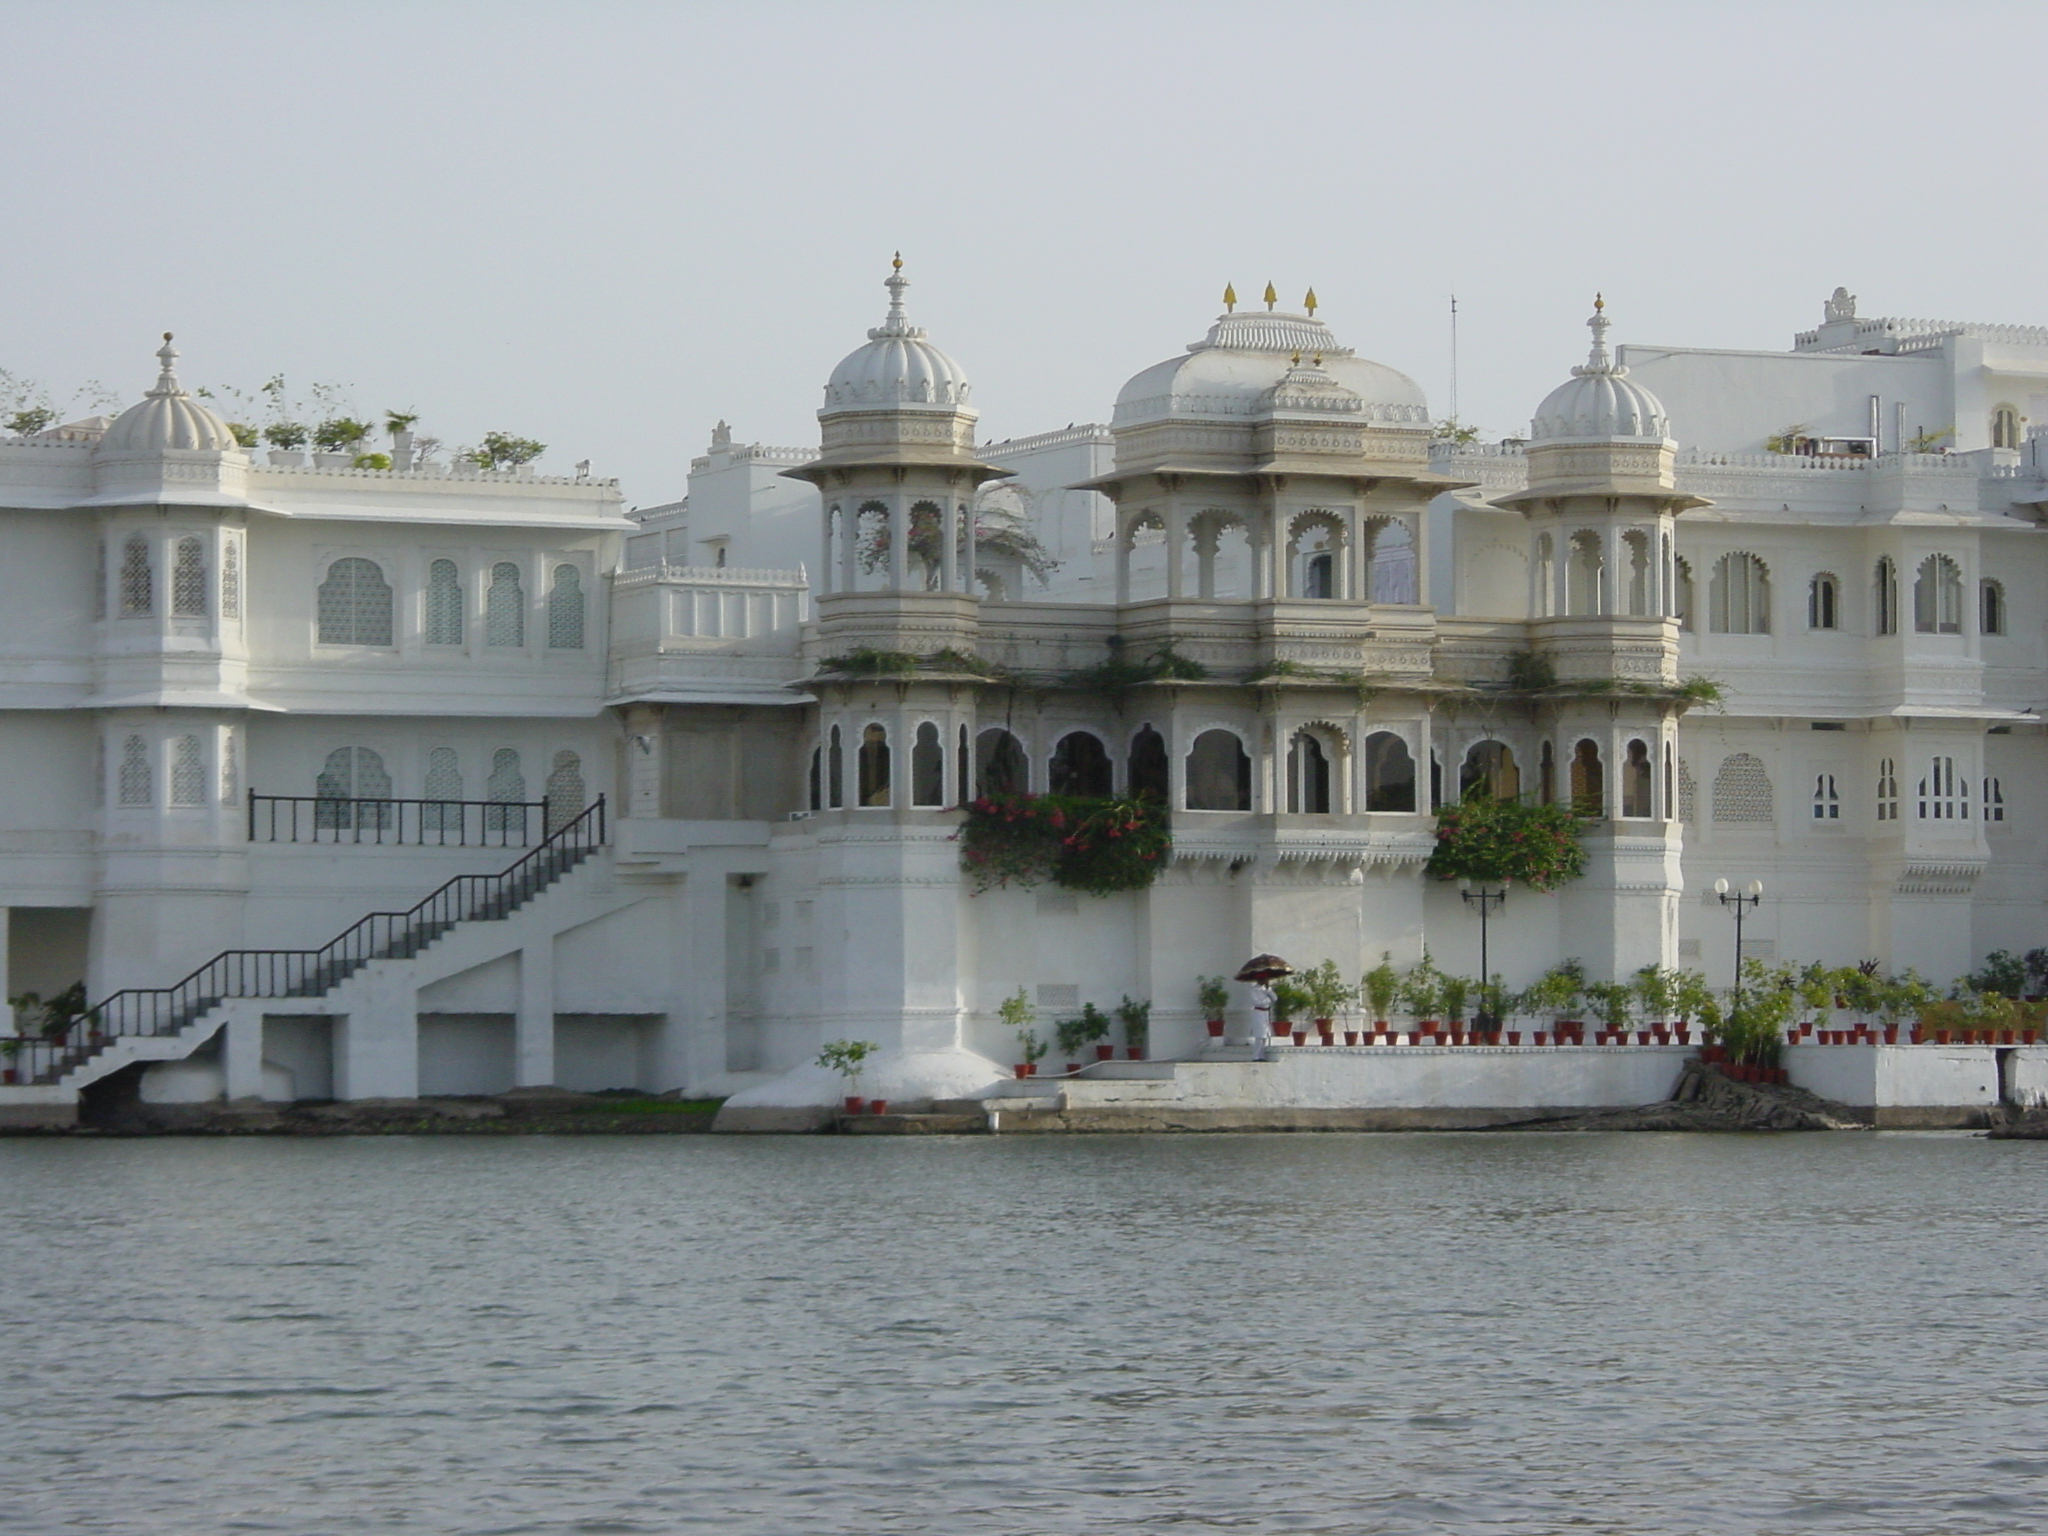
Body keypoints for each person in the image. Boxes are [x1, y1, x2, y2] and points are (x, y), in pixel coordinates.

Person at [1248, 978, 1275, 1062]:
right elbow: (1257, 1002)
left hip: (1266, 1013)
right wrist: (1267, 1000)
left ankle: (1262, 1055)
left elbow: (1275, 998)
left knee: (1265, 1035)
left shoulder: (1266, 989)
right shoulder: (1254, 989)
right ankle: (1256, 1056)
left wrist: (1268, 990)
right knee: (1259, 1035)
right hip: (1258, 1012)